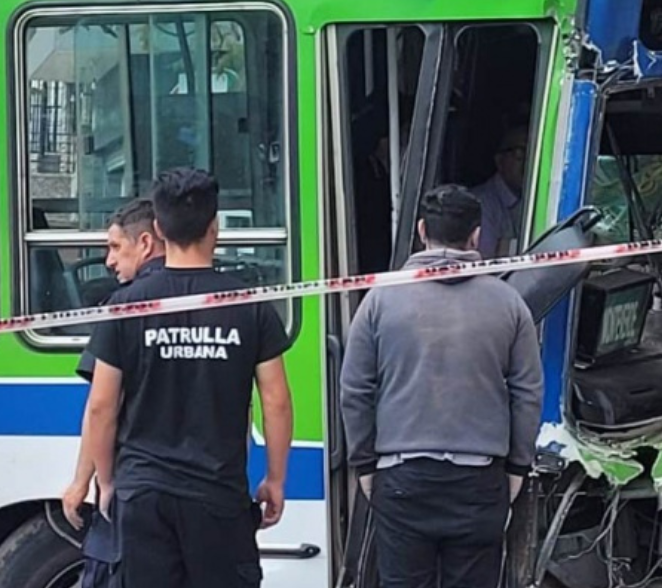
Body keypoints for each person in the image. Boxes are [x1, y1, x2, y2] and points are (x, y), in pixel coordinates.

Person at [82, 168, 294, 588]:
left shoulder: (124, 306)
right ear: (215, 227)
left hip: (142, 495)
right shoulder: (249, 305)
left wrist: (106, 482)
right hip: (217, 496)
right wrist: (275, 478)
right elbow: (276, 401)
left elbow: (102, 406)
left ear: (158, 228)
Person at [340, 184, 544, 588]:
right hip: (479, 482)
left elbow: (355, 389)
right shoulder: (509, 303)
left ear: (420, 230)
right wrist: (517, 466)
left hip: (402, 480)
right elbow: (527, 393)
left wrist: (364, 463)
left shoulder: (380, 300)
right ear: (476, 235)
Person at [62, 199, 167, 587]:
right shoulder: (222, 301)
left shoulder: (122, 309)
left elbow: (103, 407)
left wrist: (85, 482)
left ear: (145, 243)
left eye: (115, 247)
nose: (108, 261)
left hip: (132, 491)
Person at [471, 124, 529, 259]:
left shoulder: (529, 199)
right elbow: (484, 262)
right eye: (520, 154)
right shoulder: (482, 204)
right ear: (500, 161)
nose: (527, 162)